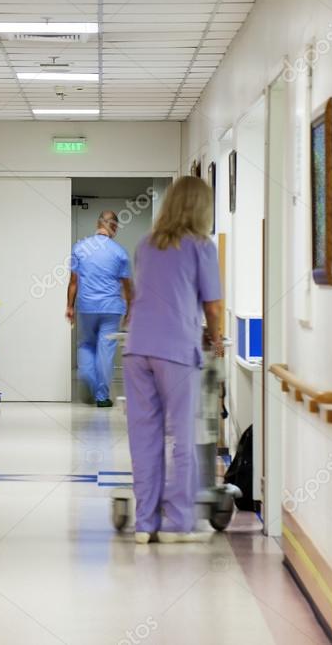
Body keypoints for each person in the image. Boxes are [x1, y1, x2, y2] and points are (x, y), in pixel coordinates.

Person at [123, 176, 222, 544]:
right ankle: (178, 523)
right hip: (177, 351)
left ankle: (144, 523)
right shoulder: (202, 247)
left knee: (143, 439)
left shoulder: (145, 244)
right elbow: (213, 306)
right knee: (182, 437)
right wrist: (216, 338)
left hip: (137, 348)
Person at [66, 210, 133, 407]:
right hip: (111, 308)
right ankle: (102, 397)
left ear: (98, 224)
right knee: (106, 350)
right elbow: (127, 286)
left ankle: (88, 378)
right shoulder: (120, 252)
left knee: (86, 344)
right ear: (114, 227)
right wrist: (130, 309)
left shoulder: (80, 248)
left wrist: (69, 306)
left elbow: (73, 282)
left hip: (87, 306)